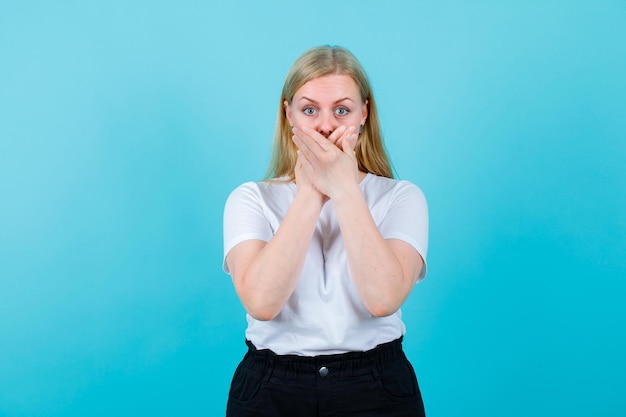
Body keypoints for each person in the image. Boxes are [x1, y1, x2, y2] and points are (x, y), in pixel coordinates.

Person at [222, 45, 429, 417]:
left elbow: (383, 299)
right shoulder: (250, 199)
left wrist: (345, 188)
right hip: (272, 389)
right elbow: (262, 303)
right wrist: (311, 193)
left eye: (342, 110)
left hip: (375, 386)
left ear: (364, 113)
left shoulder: (402, 198)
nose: (326, 126)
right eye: (309, 110)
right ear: (288, 115)